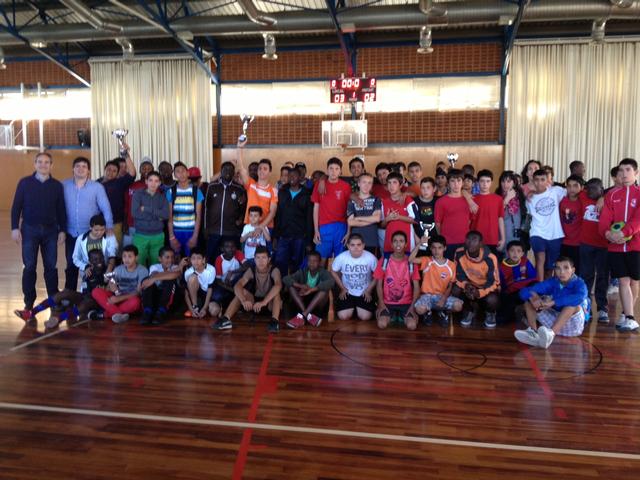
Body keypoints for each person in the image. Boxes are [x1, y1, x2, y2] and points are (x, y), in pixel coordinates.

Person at [11, 152, 66, 312]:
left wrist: (62, 230)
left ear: (51, 165)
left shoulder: (57, 185)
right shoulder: (24, 183)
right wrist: (14, 228)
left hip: (51, 231)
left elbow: (61, 210)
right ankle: (29, 302)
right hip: (29, 230)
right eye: (40, 162)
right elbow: (16, 207)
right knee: (29, 267)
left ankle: (53, 299)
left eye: (46, 162)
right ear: (34, 164)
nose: (43, 165)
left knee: (51, 267)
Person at [14, 249, 107, 328]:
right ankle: (31, 313)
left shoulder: (107, 271)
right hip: (87, 297)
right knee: (65, 293)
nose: (99, 261)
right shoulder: (88, 273)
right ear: (90, 262)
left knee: (86, 303)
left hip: (99, 304)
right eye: (95, 259)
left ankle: (59, 319)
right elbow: (85, 291)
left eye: (101, 258)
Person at [599, 158, 640, 332]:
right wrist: (608, 234)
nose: (624, 174)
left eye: (628, 170)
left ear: (636, 173)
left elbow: (638, 219)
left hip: (635, 245)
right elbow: (604, 220)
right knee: (623, 280)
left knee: (634, 281)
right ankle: (630, 317)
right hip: (615, 246)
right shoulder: (612, 195)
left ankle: (626, 313)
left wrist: (624, 233)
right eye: (621, 170)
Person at [63, 156, 114, 291]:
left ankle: (94, 292)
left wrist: (109, 226)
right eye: (77, 166)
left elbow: (106, 208)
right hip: (71, 233)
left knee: (95, 264)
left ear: (89, 171)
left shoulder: (97, 187)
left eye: (84, 166)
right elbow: (57, 208)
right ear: (73, 169)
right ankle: (70, 294)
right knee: (71, 264)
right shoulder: (64, 185)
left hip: (92, 234)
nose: (81, 169)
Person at [515, 256, 588, 349]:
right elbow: (524, 291)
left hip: (573, 326)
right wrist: (534, 298)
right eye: (558, 268)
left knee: (573, 305)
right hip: (554, 320)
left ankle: (551, 334)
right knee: (528, 301)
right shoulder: (553, 281)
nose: (562, 272)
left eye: (566, 268)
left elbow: (580, 297)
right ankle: (533, 333)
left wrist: (554, 302)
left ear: (573, 270)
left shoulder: (580, 283)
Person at [213, 246, 282, 333]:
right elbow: (238, 285)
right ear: (254, 259)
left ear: (269, 259)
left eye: (264, 258)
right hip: (254, 304)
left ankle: (275, 321)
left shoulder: (274, 270)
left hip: (269, 304)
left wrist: (264, 302)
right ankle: (226, 319)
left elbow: (278, 285)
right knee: (241, 291)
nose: (260, 261)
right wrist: (243, 300)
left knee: (276, 293)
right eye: (258, 258)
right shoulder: (252, 270)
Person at [410, 234, 463, 327]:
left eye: (439, 248)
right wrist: (419, 244)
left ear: (445, 248)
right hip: (427, 296)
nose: (436, 251)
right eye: (434, 248)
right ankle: (428, 312)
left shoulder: (451, 265)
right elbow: (410, 259)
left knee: (458, 306)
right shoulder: (427, 261)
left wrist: (444, 298)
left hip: (442, 296)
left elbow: (450, 285)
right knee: (419, 309)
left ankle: (443, 312)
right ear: (430, 248)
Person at [452, 231, 500, 328]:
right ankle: (469, 310)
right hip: (469, 285)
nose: (470, 242)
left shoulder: (490, 258)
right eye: (468, 239)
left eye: (474, 240)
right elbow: (457, 274)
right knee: (455, 290)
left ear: (481, 243)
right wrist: (466, 285)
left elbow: (493, 282)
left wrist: (479, 292)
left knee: (492, 300)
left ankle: (490, 313)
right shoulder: (459, 252)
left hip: (484, 287)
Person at [374, 231, 420, 330]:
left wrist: (412, 306)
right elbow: (379, 284)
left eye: (401, 241)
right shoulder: (384, 260)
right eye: (395, 241)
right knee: (381, 324)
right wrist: (381, 303)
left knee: (412, 326)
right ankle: (393, 316)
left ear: (406, 244)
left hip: (406, 303)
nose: (398, 244)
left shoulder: (411, 262)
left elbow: (416, 287)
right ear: (391, 244)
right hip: (388, 303)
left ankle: (399, 316)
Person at [526, 169, 566, 282]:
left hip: (555, 234)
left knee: (550, 267)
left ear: (547, 181)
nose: (539, 183)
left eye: (542, 179)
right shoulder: (529, 199)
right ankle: (540, 288)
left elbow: (574, 192)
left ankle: (549, 287)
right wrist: (529, 193)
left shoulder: (556, 191)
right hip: (537, 232)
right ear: (533, 181)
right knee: (540, 259)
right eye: (537, 180)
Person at [91, 244, 148, 323]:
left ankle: (104, 314)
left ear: (136, 257)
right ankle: (118, 314)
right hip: (117, 297)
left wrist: (119, 298)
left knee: (136, 302)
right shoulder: (118, 269)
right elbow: (109, 287)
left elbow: (139, 293)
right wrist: (112, 287)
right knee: (96, 291)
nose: (126, 259)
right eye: (124, 256)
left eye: (130, 256)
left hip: (130, 299)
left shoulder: (142, 270)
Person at [273, 167, 314, 276]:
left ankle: (294, 285)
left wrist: (309, 241)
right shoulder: (282, 192)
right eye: (289, 175)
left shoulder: (307, 194)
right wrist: (275, 236)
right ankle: (282, 284)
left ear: (300, 177)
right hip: (283, 235)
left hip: (299, 237)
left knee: (297, 264)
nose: (291, 178)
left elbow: (309, 220)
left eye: (294, 176)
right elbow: (278, 215)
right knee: (280, 262)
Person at [579, 178, 610, 323]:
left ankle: (602, 308)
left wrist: (603, 197)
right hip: (586, 244)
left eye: (594, 188)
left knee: (603, 276)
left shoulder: (608, 199)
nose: (589, 191)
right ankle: (586, 307)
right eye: (588, 188)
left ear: (601, 189)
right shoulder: (583, 196)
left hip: (603, 245)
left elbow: (616, 189)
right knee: (586, 276)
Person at [236, 141, 279, 241]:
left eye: (265, 169)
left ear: (270, 172)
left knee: (264, 252)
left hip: (266, 227)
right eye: (260, 168)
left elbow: (272, 212)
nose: (261, 171)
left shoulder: (273, 190)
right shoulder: (251, 184)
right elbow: (241, 167)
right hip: (249, 225)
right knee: (249, 251)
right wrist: (239, 147)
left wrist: (260, 227)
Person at [204, 161, 246, 261]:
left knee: (230, 258)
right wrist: (205, 228)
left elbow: (243, 208)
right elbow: (206, 208)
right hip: (213, 230)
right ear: (221, 171)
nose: (228, 171)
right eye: (225, 169)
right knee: (211, 257)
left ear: (234, 173)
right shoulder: (212, 186)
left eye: (231, 170)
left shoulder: (239, 188)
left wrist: (240, 220)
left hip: (230, 231)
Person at [312, 158, 351, 265]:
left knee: (340, 260)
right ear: (327, 170)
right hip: (324, 227)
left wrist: (348, 231)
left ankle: (337, 277)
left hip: (341, 227)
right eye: (331, 168)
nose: (334, 171)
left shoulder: (345, 186)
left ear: (340, 171)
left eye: (337, 169)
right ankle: (321, 277)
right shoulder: (319, 185)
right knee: (321, 259)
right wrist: (316, 230)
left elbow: (349, 210)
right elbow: (316, 208)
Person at [331, 233, 378, 321]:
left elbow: (378, 275)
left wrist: (369, 290)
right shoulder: (342, 257)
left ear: (363, 245)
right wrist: (342, 288)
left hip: (364, 292)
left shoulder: (370, 257)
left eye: (359, 245)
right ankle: (353, 309)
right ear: (348, 246)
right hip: (348, 292)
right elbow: (333, 271)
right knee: (343, 316)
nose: (356, 247)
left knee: (365, 317)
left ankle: (357, 309)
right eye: (352, 245)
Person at [284, 251, 335, 328]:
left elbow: (331, 282)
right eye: (310, 261)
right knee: (291, 287)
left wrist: (312, 290)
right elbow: (286, 279)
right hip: (303, 303)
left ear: (319, 262)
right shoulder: (303, 272)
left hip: (317, 304)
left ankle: (303, 316)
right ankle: (307, 315)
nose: (312, 263)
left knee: (324, 290)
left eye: (315, 261)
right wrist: (301, 286)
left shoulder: (323, 272)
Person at [140, 247, 186, 325]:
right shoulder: (154, 267)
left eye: (172, 257)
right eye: (167, 257)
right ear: (160, 259)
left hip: (170, 301)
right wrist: (154, 278)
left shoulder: (175, 267)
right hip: (156, 298)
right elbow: (154, 275)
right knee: (146, 280)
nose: (170, 260)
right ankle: (147, 311)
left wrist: (155, 279)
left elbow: (174, 275)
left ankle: (161, 311)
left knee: (170, 280)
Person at [132, 171, 170, 267]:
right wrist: (157, 216)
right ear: (146, 181)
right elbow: (135, 213)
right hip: (140, 235)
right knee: (139, 264)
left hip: (158, 236)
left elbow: (166, 215)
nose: (153, 184)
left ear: (160, 183)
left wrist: (146, 209)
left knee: (156, 265)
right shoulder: (138, 195)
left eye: (156, 181)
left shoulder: (162, 197)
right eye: (151, 180)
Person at [166, 162, 204, 258]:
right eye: (178, 172)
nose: (181, 174)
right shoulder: (171, 192)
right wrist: (171, 237)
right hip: (176, 232)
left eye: (183, 171)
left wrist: (195, 236)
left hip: (191, 232)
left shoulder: (196, 191)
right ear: (174, 175)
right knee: (175, 259)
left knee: (191, 259)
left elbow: (198, 216)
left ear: (188, 173)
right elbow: (169, 217)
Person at [100, 145, 136, 247]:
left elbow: (132, 173)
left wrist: (125, 154)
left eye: (114, 171)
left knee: (115, 250)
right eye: (108, 169)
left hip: (115, 223)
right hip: (99, 224)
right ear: (104, 169)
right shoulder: (96, 184)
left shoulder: (119, 182)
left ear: (117, 173)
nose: (111, 172)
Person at [71, 214, 117, 290]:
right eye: (96, 230)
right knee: (87, 292)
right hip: (89, 272)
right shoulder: (81, 239)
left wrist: (108, 271)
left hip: (106, 270)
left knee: (108, 290)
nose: (99, 232)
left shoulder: (110, 237)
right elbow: (75, 258)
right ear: (90, 228)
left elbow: (112, 255)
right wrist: (85, 267)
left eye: (102, 230)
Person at [435, 169, 472, 259]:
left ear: (462, 183)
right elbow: (438, 223)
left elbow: (470, 221)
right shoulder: (441, 201)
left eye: (459, 180)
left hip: (464, 242)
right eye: (452, 181)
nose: (456, 184)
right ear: (448, 183)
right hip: (447, 243)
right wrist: (443, 240)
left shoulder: (469, 201)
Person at [498, 240, 536, 323]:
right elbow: (503, 287)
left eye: (518, 251)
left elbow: (533, 278)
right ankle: (510, 313)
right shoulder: (502, 267)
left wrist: (517, 284)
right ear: (507, 252)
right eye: (512, 251)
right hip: (511, 294)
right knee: (501, 321)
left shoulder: (525, 261)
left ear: (522, 253)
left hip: (525, 290)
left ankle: (531, 315)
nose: (515, 253)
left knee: (535, 285)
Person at [470, 169, 505, 255]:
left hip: (492, 239)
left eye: (488, 181)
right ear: (478, 182)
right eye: (482, 181)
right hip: (476, 239)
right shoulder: (472, 200)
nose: (485, 184)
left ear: (491, 182)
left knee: (492, 262)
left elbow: (500, 219)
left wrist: (503, 238)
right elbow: (468, 221)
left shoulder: (498, 199)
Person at [380, 172, 416, 256]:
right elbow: (382, 225)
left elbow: (415, 220)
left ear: (400, 185)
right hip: (389, 244)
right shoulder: (384, 202)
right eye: (389, 183)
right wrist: (388, 219)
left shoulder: (408, 200)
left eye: (394, 182)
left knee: (407, 264)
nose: (391, 186)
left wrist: (398, 217)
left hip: (407, 244)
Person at [346, 173, 382, 255]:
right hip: (355, 242)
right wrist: (371, 220)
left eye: (369, 183)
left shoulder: (376, 199)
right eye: (364, 182)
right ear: (359, 183)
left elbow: (377, 218)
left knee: (371, 262)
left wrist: (358, 218)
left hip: (371, 240)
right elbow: (351, 222)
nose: (366, 185)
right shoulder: (352, 201)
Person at [123, 159, 154, 247]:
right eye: (143, 168)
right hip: (132, 225)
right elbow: (126, 205)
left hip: (149, 227)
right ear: (140, 170)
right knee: (129, 250)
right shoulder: (132, 186)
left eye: (149, 168)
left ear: (153, 170)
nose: (146, 170)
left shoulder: (156, 187)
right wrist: (125, 223)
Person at [183, 247, 219, 319]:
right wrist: (191, 309)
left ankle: (204, 309)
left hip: (207, 295)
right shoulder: (188, 272)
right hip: (196, 297)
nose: (196, 261)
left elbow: (210, 289)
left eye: (199, 258)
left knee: (215, 311)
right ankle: (195, 307)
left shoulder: (211, 269)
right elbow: (186, 293)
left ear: (204, 260)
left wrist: (205, 308)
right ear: (190, 260)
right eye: (193, 258)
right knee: (192, 277)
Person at [495, 170, 527, 251]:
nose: (505, 184)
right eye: (503, 181)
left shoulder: (520, 196)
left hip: (517, 234)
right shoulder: (496, 196)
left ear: (514, 183)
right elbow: (496, 214)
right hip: (501, 234)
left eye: (508, 181)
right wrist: (507, 199)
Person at [559, 175, 584, 275]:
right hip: (563, 241)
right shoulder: (561, 200)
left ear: (582, 187)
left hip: (578, 243)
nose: (572, 189)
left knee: (576, 271)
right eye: (569, 186)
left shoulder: (584, 201)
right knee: (562, 270)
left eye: (575, 186)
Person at [212, 239, 247, 309]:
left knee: (246, 275)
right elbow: (218, 281)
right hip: (224, 284)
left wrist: (232, 272)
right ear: (222, 249)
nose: (230, 249)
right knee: (216, 296)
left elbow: (246, 266)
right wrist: (232, 290)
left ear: (236, 248)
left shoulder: (238, 253)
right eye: (227, 247)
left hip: (236, 282)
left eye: (233, 246)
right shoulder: (219, 259)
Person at [408, 177, 438, 247]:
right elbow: (410, 223)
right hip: (418, 240)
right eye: (423, 188)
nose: (425, 190)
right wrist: (415, 238)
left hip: (435, 240)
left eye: (428, 188)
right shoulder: (413, 202)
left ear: (434, 189)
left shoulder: (439, 201)